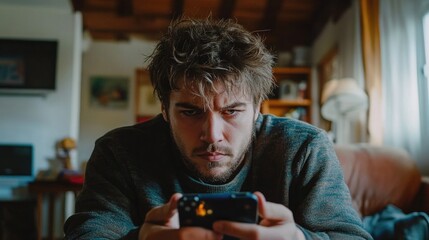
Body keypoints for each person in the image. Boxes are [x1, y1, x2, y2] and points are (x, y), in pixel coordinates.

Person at [64, 18, 372, 240]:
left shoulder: (304, 148)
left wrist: (297, 239)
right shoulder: (119, 152)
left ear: (257, 108)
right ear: (164, 109)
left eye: (232, 111)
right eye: (190, 111)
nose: (212, 134)